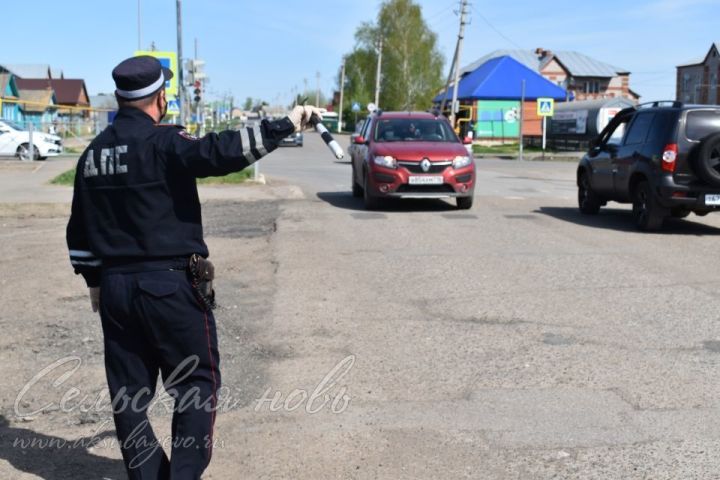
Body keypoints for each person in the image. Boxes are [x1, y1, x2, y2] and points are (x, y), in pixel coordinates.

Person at [66, 55, 323, 480]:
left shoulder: (92, 155)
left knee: (128, 396)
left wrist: (94, 281)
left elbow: (78, 229)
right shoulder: (164, 142)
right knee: (195, 386)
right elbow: (219, 152)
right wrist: (285, 125)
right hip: (169, 288)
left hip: (115, 291)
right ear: (159, 97)